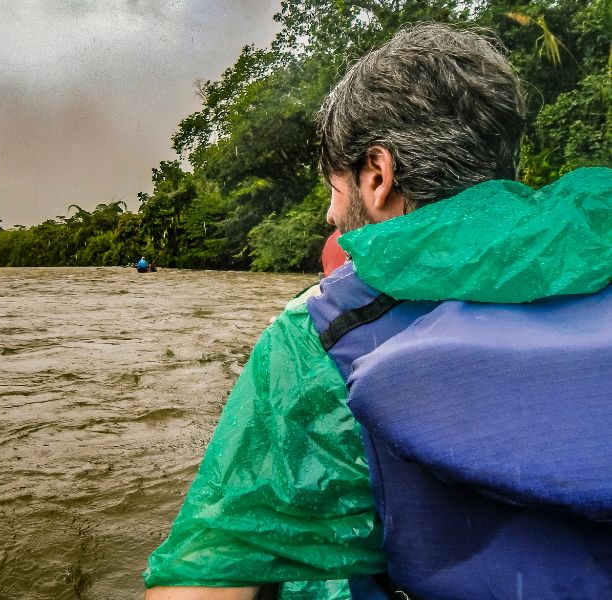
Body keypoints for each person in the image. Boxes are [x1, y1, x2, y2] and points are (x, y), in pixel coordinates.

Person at [144, 23, 612, 600]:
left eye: (333, 189)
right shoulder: (597, 246)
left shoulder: (317, 332)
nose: (328, 216)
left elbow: (204, 584)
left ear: (377, 174)